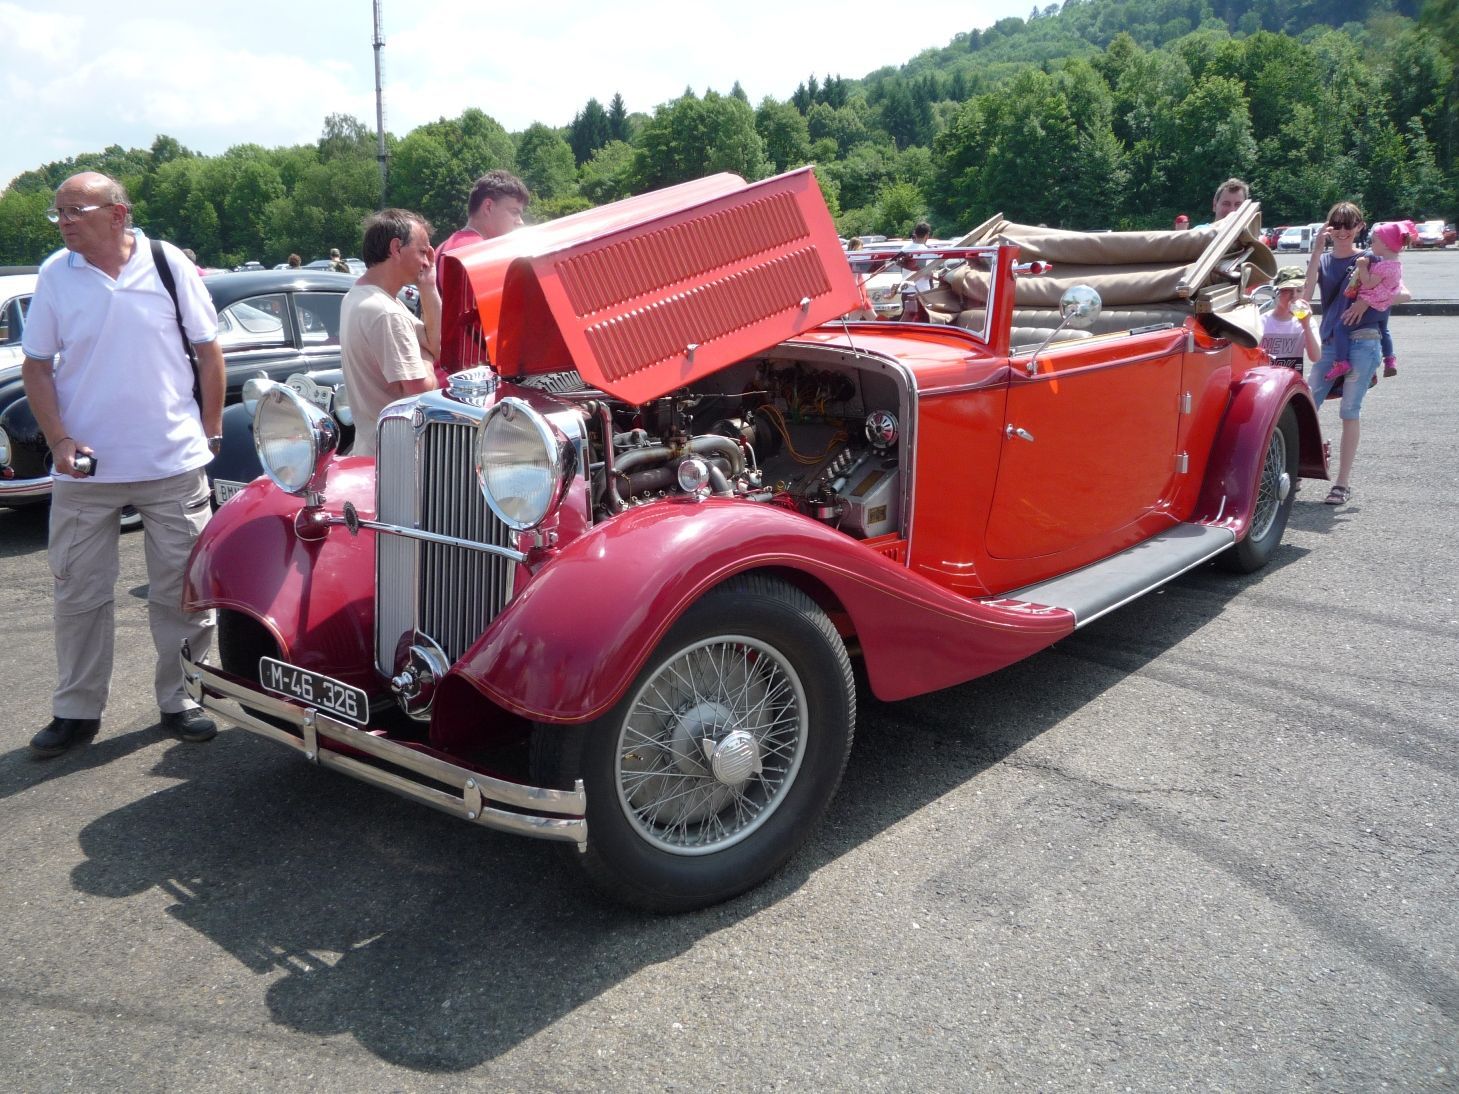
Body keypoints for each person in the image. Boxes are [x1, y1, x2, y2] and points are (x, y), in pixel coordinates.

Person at [19, 171, 225, 756]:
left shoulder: (166, 263)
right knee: (77, 594)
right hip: (86, 469)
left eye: (74, 210)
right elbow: (36, 364)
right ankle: (76, 712)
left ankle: (182, 696)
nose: (63, 221)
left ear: (118, 213)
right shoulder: (57, 274)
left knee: (183, 592)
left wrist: (209, 433)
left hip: (172, 463)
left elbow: (209, 352)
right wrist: (59, 441)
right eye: (57, 212)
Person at [339, 209, 442, 458]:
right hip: (396, 462)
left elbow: (434, 342)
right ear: (396, 248)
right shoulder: (386, 313)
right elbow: (423, 395)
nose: (427, 261)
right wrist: (426, 358)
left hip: (371, 448)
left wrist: (428, 286)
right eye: (421, 251)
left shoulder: (358, 296)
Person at [1301, 201, 1379, 506]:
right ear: (1329, 227)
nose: (1343, 231)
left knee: (1349, 410)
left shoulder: (1370, 260)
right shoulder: (1322, 261)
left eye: (1350, 225)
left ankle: (1342, 483)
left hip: (1363, 339)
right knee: (1306, 402)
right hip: (1331, 342)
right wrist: (1317, 251)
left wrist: (1365, 303)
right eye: (1337, 225)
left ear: (1360, 227)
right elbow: (1305, 298)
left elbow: (1401, 293)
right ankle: (1302, 462)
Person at [1328, 219, 1414, 382]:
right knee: (1384, 331)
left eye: (1374, 241)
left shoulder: (1383, 266)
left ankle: (1341, 362)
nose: (1370, 244)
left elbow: (1368, 283)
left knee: (1341, 328)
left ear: (1386, 244)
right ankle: (1389, 359)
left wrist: (1361, 267)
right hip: (1384, 308)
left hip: (1371, 307)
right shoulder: (1396, 264)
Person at [436, 170, 530, 266]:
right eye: (514, 212)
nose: (520, 222)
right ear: (488, 207)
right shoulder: (480, 253)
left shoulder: (442, 249)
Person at [1260, 266, 1320, 371]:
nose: (1294, 295)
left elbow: (1315, 357)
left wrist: (1306, 326)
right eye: (1287, 290)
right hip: (1266, 381)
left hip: (1291, 383)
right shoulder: (1262, 321)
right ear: (1276, 292)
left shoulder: (1308, 322)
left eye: (1299, 290)